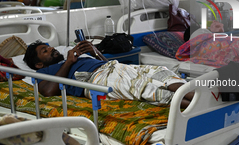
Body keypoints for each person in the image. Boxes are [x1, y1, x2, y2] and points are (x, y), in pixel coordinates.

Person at [23, 40, 193, 108]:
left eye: (49, 46)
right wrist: (68, 63)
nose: (51, 49)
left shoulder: (71, 57)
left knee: (159, 73)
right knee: (144, 88)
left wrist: (95, 52)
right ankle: (195, 104)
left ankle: (202, 96)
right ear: (39, 63)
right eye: (45, 51)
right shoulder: (45, 72)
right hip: (97, 80)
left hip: (115, 67)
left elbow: (104, 63)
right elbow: (48, 92)